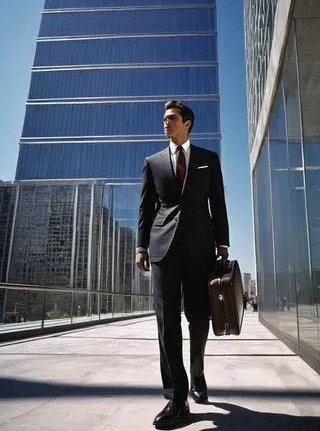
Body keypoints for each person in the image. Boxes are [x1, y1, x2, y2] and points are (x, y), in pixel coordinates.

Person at [136, 100, 229, 430]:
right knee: (166, 318)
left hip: (201, 247)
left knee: (199, 316)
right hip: (162, 248)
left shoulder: (208, 159)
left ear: (187, 123)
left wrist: (222, 242)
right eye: (164, 119)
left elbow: (217, 201)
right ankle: (177, 395)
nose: (166, 123)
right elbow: (146, 207)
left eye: (172, 118)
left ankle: (198, 372)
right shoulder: (153, 162)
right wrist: (141, 246)